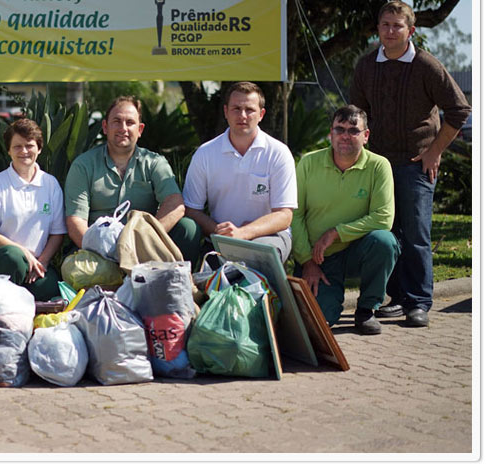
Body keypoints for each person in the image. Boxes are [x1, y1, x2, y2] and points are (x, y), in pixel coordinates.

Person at [350, 0, 471, 328]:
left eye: (397, 26)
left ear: (410, 30)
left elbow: (459, 110)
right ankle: (397, 298)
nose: (390, 31)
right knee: (388, 232)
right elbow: (356, 115)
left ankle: (418, 303)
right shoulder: (365, 66)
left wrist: (434, 151)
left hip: (416, 165)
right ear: (378, 29)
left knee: (416, 233)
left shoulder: (425, 65)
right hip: (377, 166)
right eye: (385, 25)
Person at [291, 106, 400, 334]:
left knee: (385, 242)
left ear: (366, 136)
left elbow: (383, 218)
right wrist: (306, 261)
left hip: (356, 252)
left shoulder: (379, 166)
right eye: (339, 129)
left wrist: (336, 232)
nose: (345, 136)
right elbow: (295, 215)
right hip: (318, 258)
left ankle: (366, 309)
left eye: (353, 130)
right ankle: (326, 303)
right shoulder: (308, 163)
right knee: (319, 322)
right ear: (330, 133)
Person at [64, 96, 201, 265]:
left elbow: (175, 204)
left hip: (144, 248)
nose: (123, 128)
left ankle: (177, 285)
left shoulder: (154, 163)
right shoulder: (83, 165)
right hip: (98, 251)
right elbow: (75, 222)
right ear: (105, 127)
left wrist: (143, 241)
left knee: (188, 228)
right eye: (117, 121)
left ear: (140, 129)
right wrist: (105, 252)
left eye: (130, 122)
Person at [182, 81, 297, 263]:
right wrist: (221, 232)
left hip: (269, 237)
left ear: (261, 114)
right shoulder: (205, 153)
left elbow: (284, 215)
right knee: (216, 286)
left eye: (249, 110)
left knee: (256, 262)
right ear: (226, 112)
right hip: (221, 237)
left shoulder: (278, 153)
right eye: (236, 109)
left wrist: (243, 233)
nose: (242, 115)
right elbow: (192, 210)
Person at [0, 119, 65, 301]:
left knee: (51, 286)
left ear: (39, 148)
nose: (24, 151)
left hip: (35, 265)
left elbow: (57, 233)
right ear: (8, 150)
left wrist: (42, 262)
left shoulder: (51, 184)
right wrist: (23, 253)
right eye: (17, 146)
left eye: (29, 146)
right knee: (14, 259)